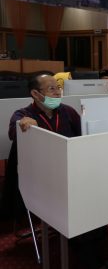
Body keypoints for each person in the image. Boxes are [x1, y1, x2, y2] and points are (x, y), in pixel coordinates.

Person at [1, 74, 81, 219]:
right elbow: (14, 132)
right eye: (52, 89)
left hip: (66, 169)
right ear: (35, 94)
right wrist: (22, 124)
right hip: (39, 173)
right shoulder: (23, 114)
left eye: (59, 88)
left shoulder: (68, 111)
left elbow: (82, 135)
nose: (58, 92)